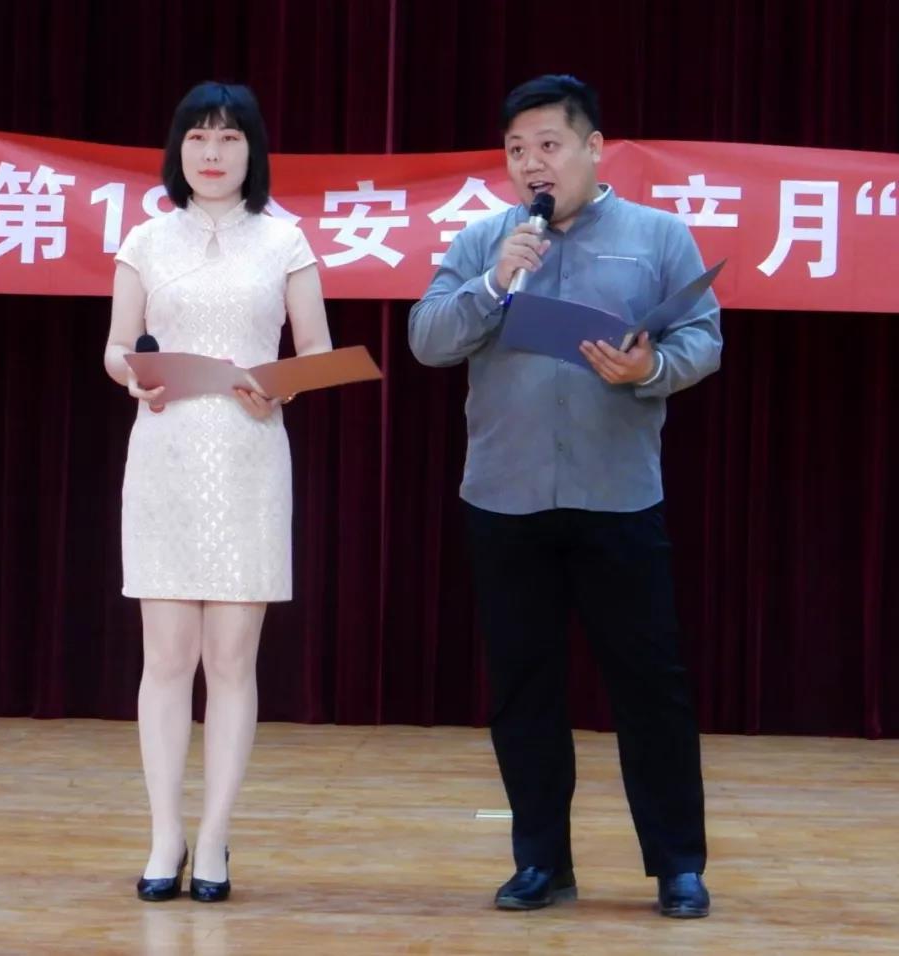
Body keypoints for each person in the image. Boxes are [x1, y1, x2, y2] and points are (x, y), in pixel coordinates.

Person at [408, 74, 720, 918]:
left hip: (617, 496)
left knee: (649, 686)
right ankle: (542, 862)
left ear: (593, 148)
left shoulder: (658, 236)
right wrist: (491, 285)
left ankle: (678, 865)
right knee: (523, 688)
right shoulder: (486, 240)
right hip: (505, 498)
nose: (531, 163)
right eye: (516, 150)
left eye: (548, 145)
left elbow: (703, 338)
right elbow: (427, 339)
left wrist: (650, 367)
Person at [103, 81, 331, 903]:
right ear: (178, 149)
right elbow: (116, 347)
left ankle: (215, 841)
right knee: (166, 659)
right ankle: (164, 835)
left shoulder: (284, 240)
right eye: (198, 137)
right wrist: (132, 376)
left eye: (230, 138)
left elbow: (317, 352)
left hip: (246, 454)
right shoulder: (146, 239)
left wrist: (278, 386)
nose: (212, 152)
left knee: (232, 661)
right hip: (165, 450)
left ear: (252, 151)